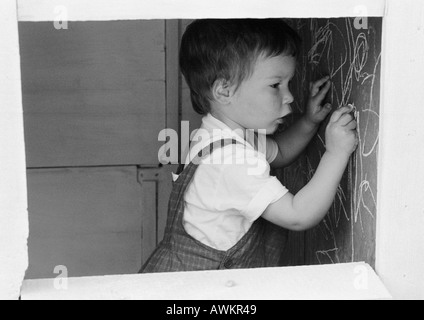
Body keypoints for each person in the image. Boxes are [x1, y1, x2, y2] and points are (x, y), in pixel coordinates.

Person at [141, 19, 358, 273]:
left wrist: (309, 122)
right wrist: (336, 152)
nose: (289, 97)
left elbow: (280, 151)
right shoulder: (229, 162)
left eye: (288, 83)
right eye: (275, 85)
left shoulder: (222, 135)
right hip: (196, 292)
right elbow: (298, 215)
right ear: (224, 91)